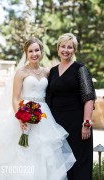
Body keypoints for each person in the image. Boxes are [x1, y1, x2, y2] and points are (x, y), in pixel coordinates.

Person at [0, 37, 76, 180]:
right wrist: (20, 118)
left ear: (41, 51)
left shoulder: (47, 72)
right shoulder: (21, 72)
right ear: (26, 53)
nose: (34, 54)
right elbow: (15, 98)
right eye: (31, 51)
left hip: (44, 116)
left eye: (37, 50)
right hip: (24, 113)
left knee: (44, 152)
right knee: (23, 152)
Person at [46, 33, 96, 180]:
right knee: (60, 163)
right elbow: (48, 97)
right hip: (57, 124)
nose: (66, 50)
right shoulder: (53, 71)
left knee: (79, 162)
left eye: (70, 47)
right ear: (58, 48)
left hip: (77, 123)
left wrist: (86, 123)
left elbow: (89, 98)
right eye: (63, 46)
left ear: (74, 50)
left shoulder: (80, 69)